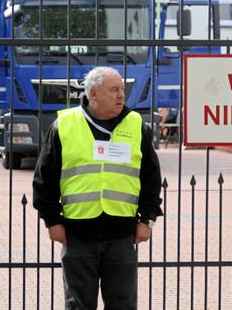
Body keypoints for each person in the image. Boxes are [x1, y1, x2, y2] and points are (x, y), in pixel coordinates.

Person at [33, 66, 163, 309]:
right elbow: (44, 179)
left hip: (123, 234)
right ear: (93, 94)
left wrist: (147, 220)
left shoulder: (136, 125)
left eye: (122, 90)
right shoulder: (65, 125)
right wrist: (52, 221)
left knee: (122, 303)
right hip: (78, 234)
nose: (121, 96)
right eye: (113, 90)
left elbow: (151, 179)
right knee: (79, 304)